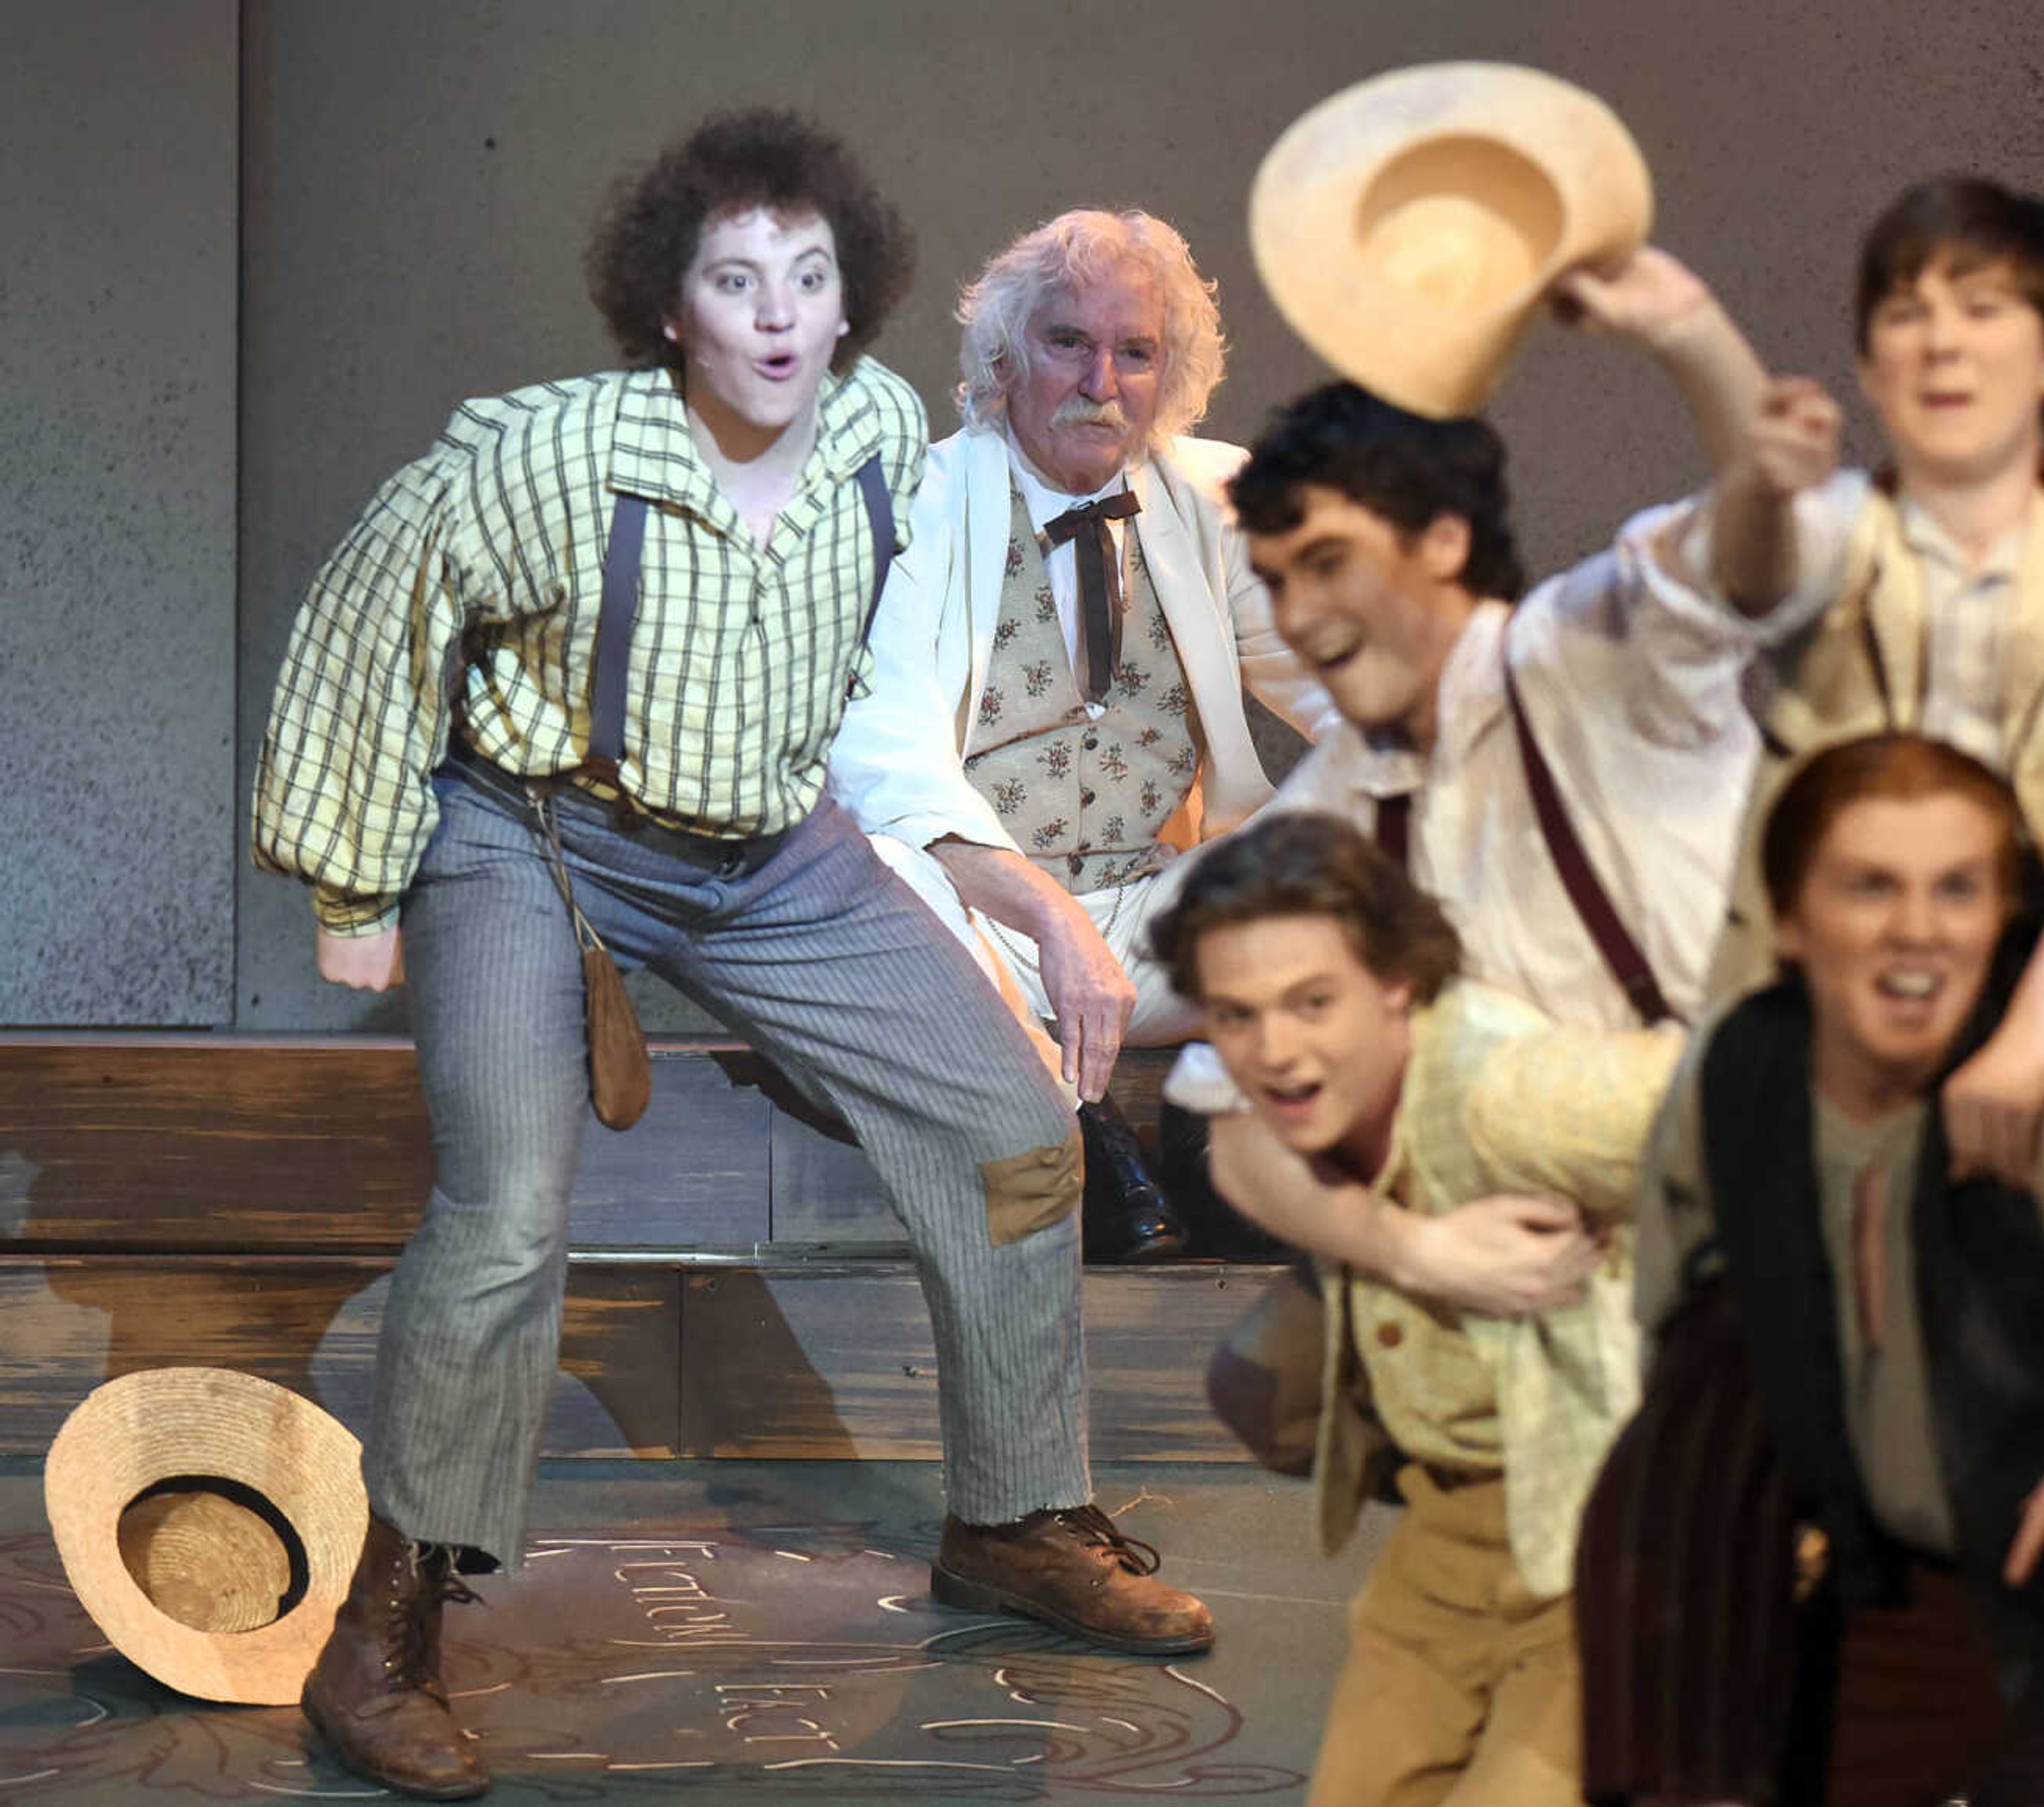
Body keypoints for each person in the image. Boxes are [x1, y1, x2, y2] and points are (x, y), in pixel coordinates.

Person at [252, 112, 1208, 1802]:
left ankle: (1013, 1512)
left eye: (810, 280)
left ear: (853, 307)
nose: (775, 315)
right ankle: (389, 1616)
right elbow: (368, 614)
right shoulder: (546, 455)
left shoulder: (874, 434)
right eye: (734, 280)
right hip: (538, 839)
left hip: (775, 856)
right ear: (672, 308)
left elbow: (925, 636)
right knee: (505, 1209)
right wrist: (351, 883)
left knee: (1012, 1132)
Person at [1634, 734, 2044, 1806]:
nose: (1917, 929)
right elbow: (1672, 1321)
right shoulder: (1735, 1082)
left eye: (1958, 889)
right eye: (1871, 886)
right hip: (1890, 1587)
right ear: (1789, 919)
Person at [1189, 246, 1768, 1311]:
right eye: (1274, 582)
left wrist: (1691, 333)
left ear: (1445, 538)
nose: (1300, 619)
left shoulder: (1595, 658)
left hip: (1745, 1189)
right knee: (1272, 1372)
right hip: (1529, 1235)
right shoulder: (1332, 805)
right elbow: (1232, 1135)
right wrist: (1417, 1250)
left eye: (1330, 563)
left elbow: (1752, 546)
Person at [1686, 175, 2044, 1191]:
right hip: (1848, 1036)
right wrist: (1693, 344)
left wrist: (2037, 1033)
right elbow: (1749, 579)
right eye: (1906, 314)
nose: (1942, 343)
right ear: (1870, 368)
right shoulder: (1834, 531)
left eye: (1983, 307)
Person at [827, 209, 1336, 1259]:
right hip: (992, 938)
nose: (1102, 380)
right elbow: (886, 760)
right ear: (1007, 359)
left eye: (1135, 352)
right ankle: (1073, 1134)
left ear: (1168, 376)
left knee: (1394, 820)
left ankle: (1218, 1128)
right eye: (1069, 343)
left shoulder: (1217, 499)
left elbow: (1362, 697)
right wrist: (1052, 922)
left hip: (1157, 918)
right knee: (873, 866)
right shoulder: (915, 501)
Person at [1148, 810, 1675, 1806]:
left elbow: (1750, 1119)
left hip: (1614, 1546)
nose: (1275, 1050)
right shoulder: (1297, 1095)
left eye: (1313, 1002)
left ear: (1396, 984)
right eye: (1237, 1016)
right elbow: (1240, 1150)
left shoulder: (1514, 1089)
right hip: (1450, 1535)